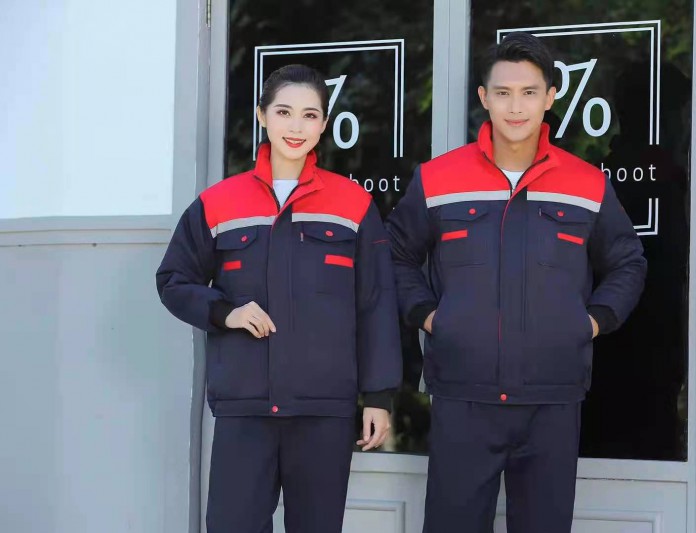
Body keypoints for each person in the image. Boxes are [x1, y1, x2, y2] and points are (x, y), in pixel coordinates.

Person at [386, 33, 647, 532]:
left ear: (550, 98)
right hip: (463, 396)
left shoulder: (586, 183)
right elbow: (395, 254)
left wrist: (591, 323)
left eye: (529, 92)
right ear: (483, 98)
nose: (516, 106)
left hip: (552, 399)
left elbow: (628, 262)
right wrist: (429, 315)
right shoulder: (438, 179)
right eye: (503, 93)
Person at [156, 64, 402, 533]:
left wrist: (378, 395)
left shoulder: (353, 204)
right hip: (245, 408)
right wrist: (225, 312)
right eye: (284, 112)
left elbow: (375, 302)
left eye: (309, 115)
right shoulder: (218, 202)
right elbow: (173, 279)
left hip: (323, 410)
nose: (296, 126)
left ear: (324, 124)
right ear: (262, 116)